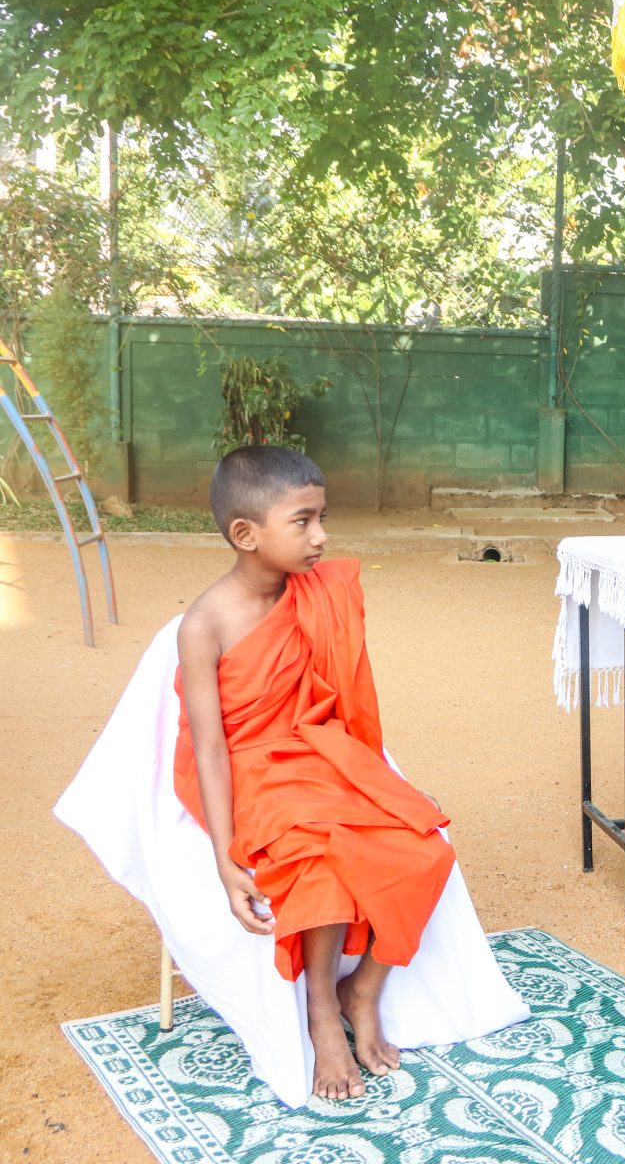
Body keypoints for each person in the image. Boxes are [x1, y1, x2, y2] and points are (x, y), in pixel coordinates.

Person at [176, 446, 466, 1100]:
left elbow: (341, 702)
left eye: (322, 518)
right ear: (245, 534)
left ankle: (359, 990)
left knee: (425, 845)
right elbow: (212, 748)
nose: (322, 537)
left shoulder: (320, 592)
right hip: (248, 767)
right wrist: (227, 857)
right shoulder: (205, 623)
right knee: (317, 851)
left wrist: (382, 782)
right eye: (303, 521)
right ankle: (319, 1015)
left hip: (316, 750)